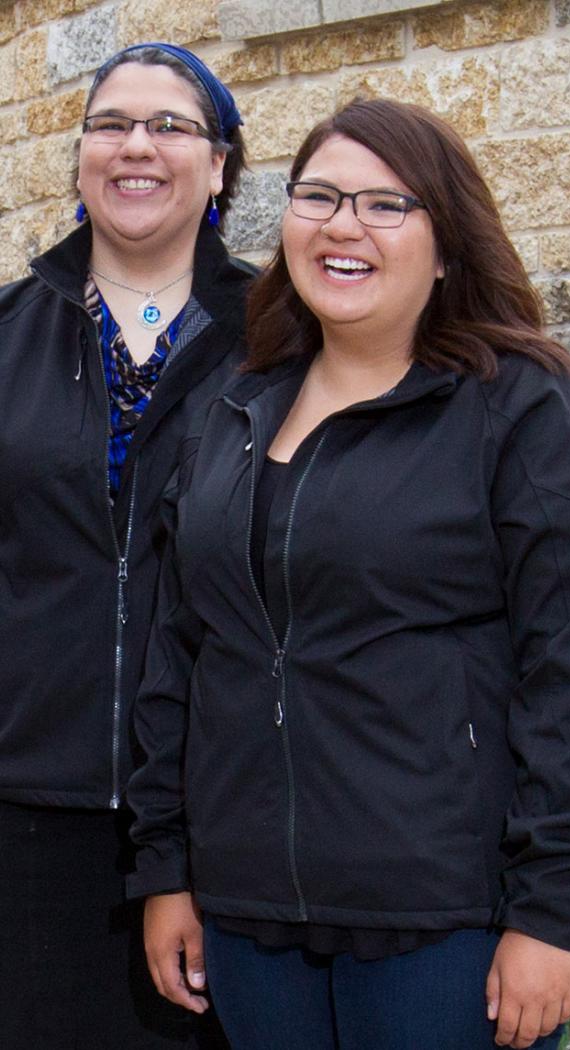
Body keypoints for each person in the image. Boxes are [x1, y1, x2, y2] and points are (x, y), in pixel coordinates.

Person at [128, 98, 570, 1050]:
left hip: (444, 920)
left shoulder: (533, 414)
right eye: (317, 196)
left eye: (386, 204)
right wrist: (168, 868)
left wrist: (549, 911)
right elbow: (178, 653)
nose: (342, 225)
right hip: (248, 917)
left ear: (448, 245)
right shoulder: (231, 410)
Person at [0, 41, 253, 1050]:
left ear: (222, 165)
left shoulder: (282, 340)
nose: (134, 146)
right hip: (24, 810)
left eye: (170, 126)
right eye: (109, 124)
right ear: (79, 159)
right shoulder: (10, 335)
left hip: (225, 815)